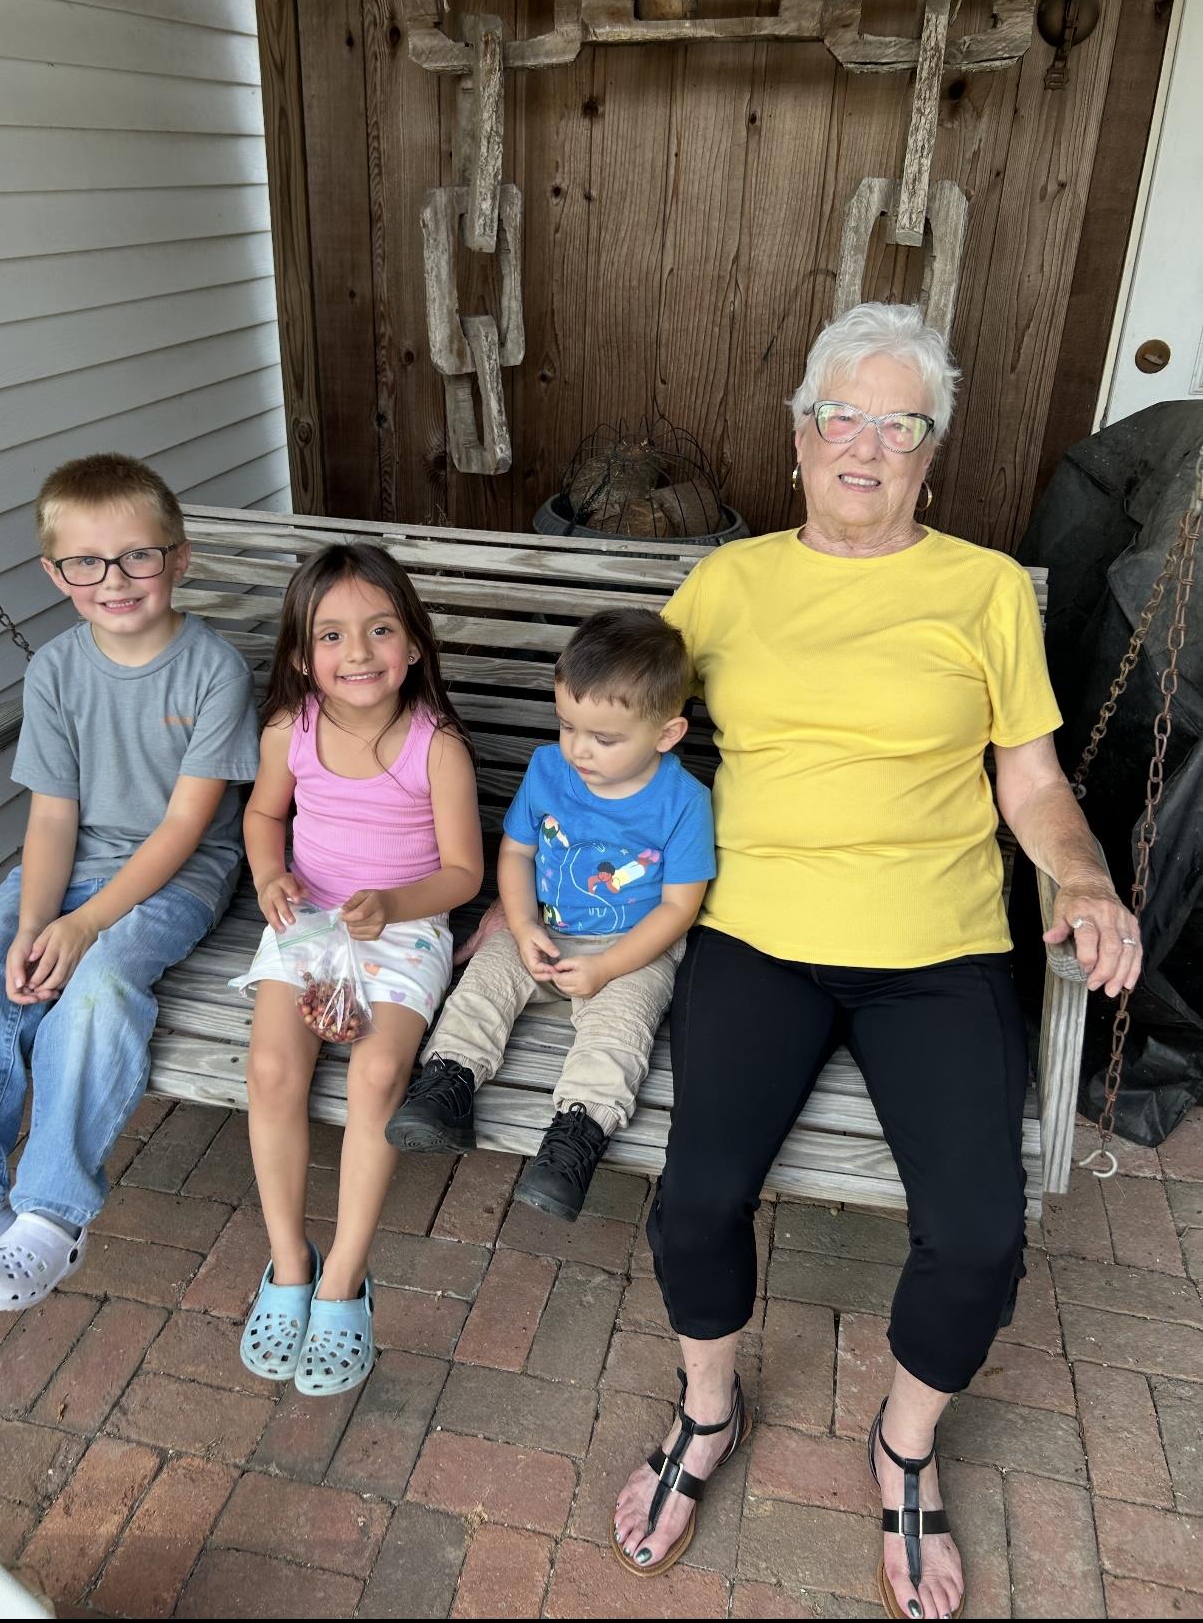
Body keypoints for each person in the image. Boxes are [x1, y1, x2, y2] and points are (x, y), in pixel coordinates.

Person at [609, 304, 1142, 1619]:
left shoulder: (979, 588)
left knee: (976, 1231)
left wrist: (1081, 875)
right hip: (757, 936)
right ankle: (709, 1408)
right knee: (694, 1196)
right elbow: (632, 740)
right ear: (798, 437)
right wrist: (571, 867)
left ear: (927, 453)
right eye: (840, 414)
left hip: (938, 949)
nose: (863, 443)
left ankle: (904, 1444)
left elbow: (1030, 777)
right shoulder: (728, 584)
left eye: (896, 422)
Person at [0, 454, 258, 1313]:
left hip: (179, 874)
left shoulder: (214, 671)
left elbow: (184, 829)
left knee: (99, 987)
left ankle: (50, 1215)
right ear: (55, 572)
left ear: (178, 559)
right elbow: (52, 819)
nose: (114, 580)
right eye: (86, 563)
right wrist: (39, 920)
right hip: (69, 862)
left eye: (139, 556)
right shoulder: (56, 672)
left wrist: (82, 930)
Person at [231, 543, 482, 1396]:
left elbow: (464, 875)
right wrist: (270, 874)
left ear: (413, 642)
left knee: (377, 1074)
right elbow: (265, 814)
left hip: (404, 924)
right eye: (331, 636)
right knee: (270, 1069)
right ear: (303, 655)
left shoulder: (434, 745)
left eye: (380, 629)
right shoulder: (288, 730)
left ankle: (344, 1277)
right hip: (308, 917)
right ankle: (288, 1263)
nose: (360, 653)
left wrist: (396, 904)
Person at [386, 608, 715, 1223]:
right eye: (567, 726)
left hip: (633, 945)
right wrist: (523, 921)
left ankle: (576, 1136)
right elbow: (516, 850)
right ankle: (447, 1084)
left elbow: (678, 908)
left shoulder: (684, 803)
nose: (579, 750)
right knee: (486, 979)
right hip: (545, 927)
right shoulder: (548, 770)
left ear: (666, 734)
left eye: (604, 738)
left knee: (618, 1026)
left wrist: (608, 966)